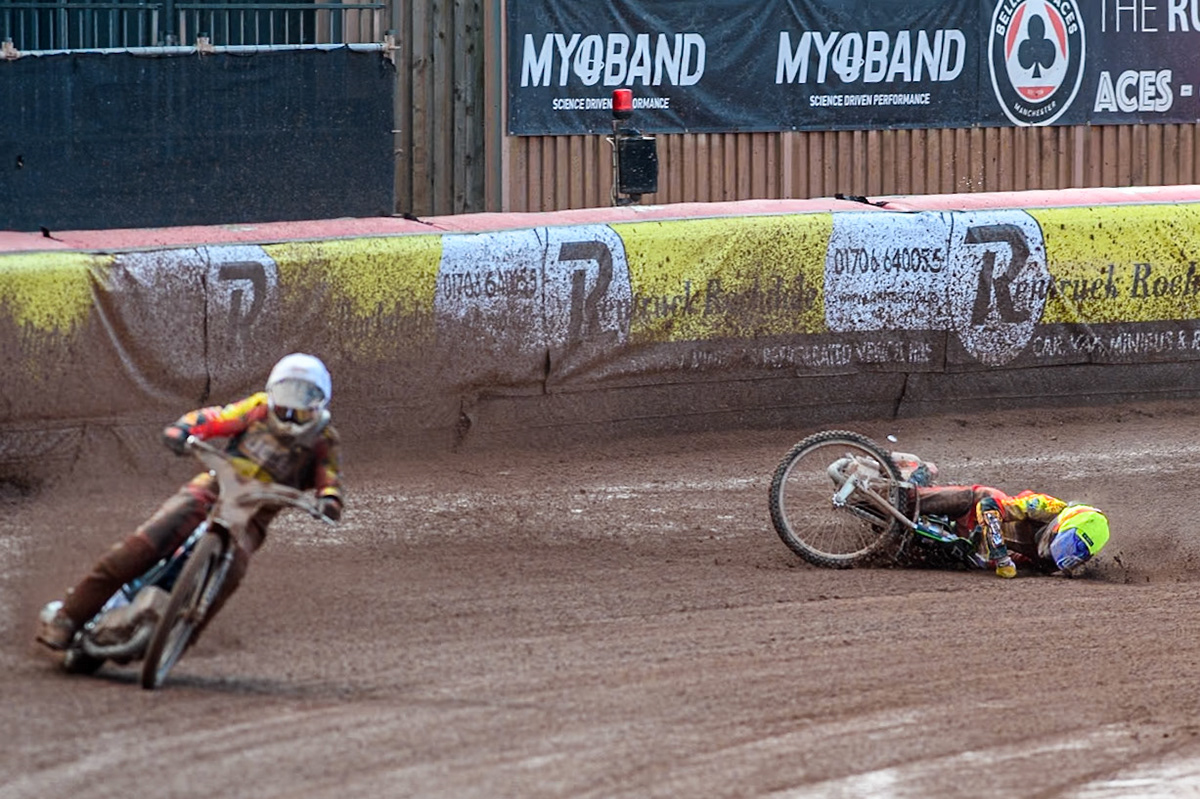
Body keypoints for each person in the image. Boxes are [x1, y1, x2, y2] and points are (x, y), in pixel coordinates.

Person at [36, 353, 344, 651]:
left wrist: (329, 499)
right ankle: (68, 616)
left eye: (303, 397)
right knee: (147, 541)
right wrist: (185, 429)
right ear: (273, 392)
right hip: (215, 487)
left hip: (255, 515)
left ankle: (178, 641)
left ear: (319, 402)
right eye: (287, 393)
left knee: (233, 571)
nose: (292, 408)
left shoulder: (323, 439)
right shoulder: (258, 409)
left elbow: (328, 476)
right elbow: (217, 417)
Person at [913, 482, 1110, 579]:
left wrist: (989, 561)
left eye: (1078, 554)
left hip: (971, 548)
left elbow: (1022, 563)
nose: (1063, 553)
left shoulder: (1054, 565)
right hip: (970, 513)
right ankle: (901, 494)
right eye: (1067, 543)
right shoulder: (1047, 507)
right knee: (987, 495)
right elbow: (988, 505)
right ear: (1060, 526)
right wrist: (1000, 555)